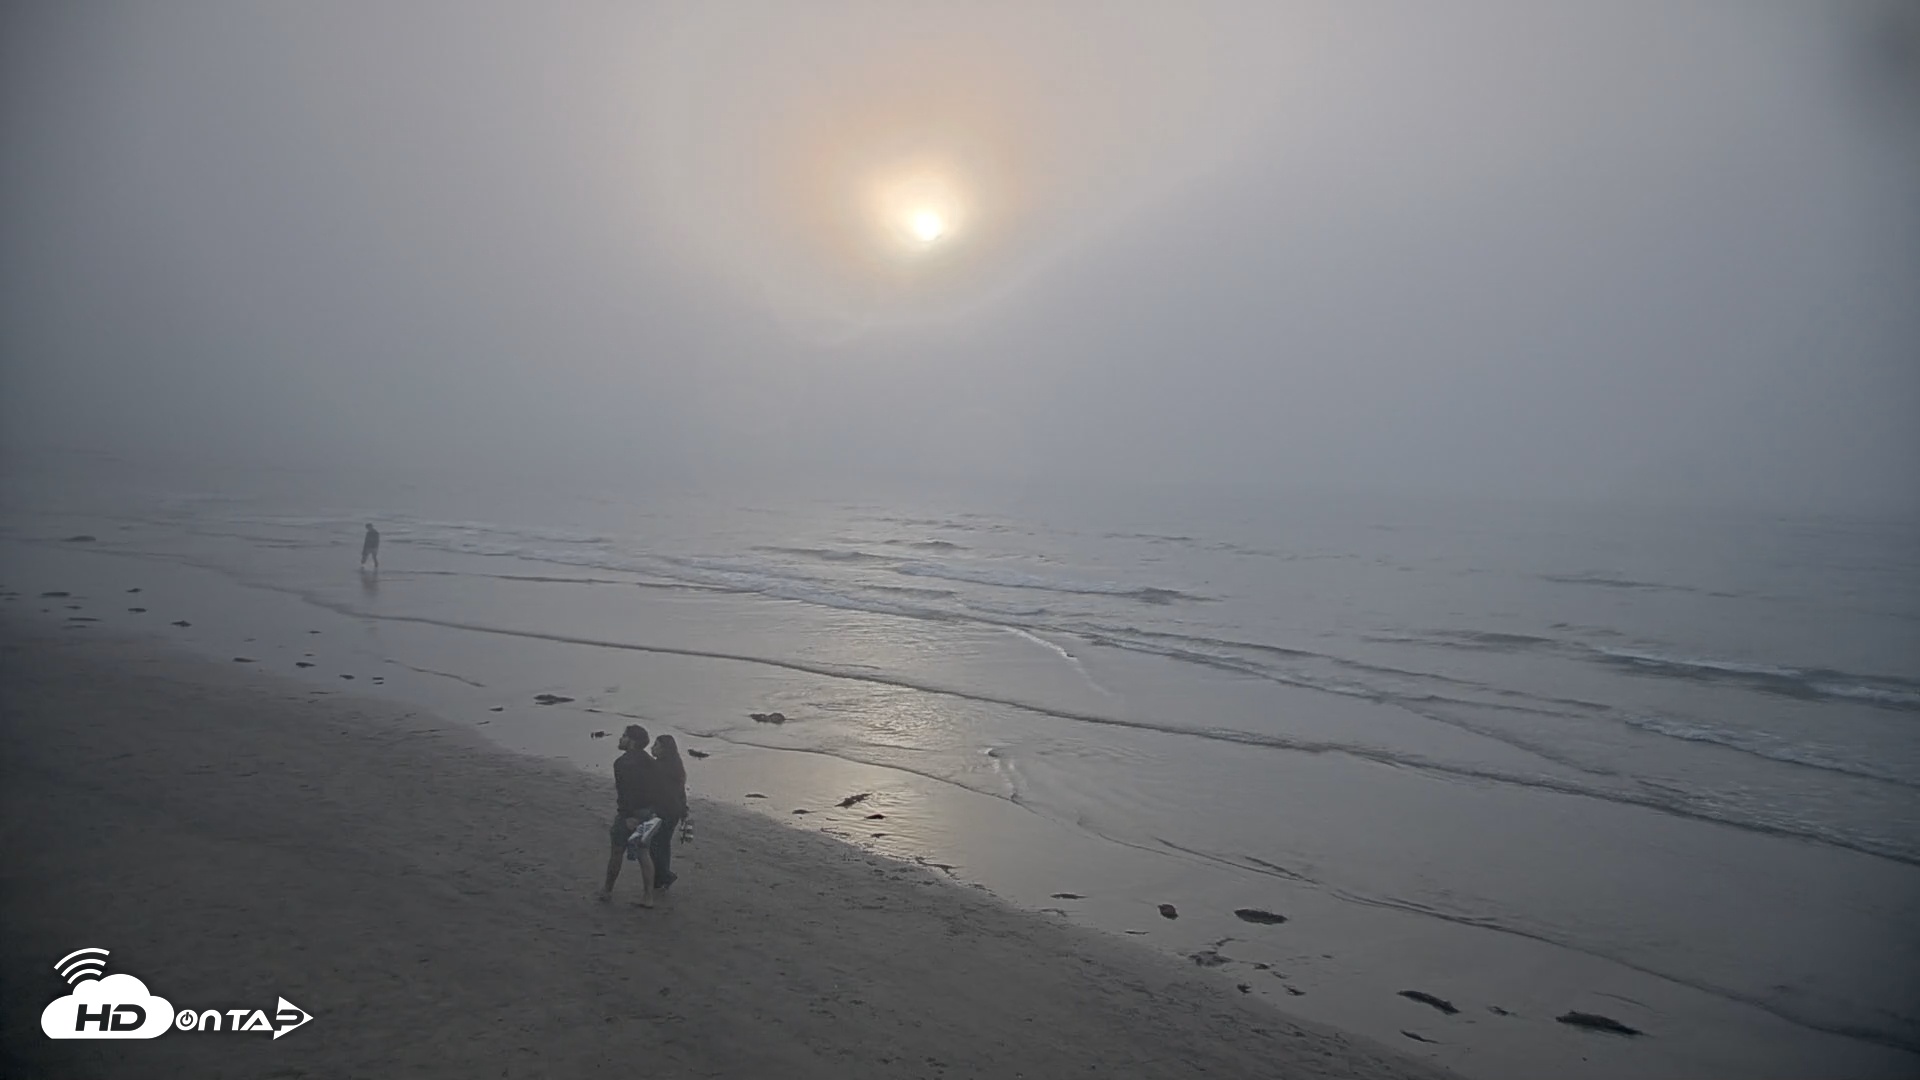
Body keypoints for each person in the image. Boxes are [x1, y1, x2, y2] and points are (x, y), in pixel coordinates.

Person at [599, 724, 658, 906]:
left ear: (632, 741)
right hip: (648, 812)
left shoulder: (622, 763)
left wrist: (628, 816)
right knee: (644, 853)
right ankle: (648, 897)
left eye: (624, 736)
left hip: (629, 813)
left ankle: (607, 891)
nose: (620, 739)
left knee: (617, 851)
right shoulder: (651, 762)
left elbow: (625, 793)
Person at [648, 734, 689, 891]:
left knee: (655, 845)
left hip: (663, 811)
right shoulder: (676, 766)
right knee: (663, 845)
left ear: (665, 750)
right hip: (674, 812)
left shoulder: (658, 767)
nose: (653, 747)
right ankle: (661, 877)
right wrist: (684, 810)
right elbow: (680, 792)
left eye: (656, 745)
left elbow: (656, 793)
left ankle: (664, 876)